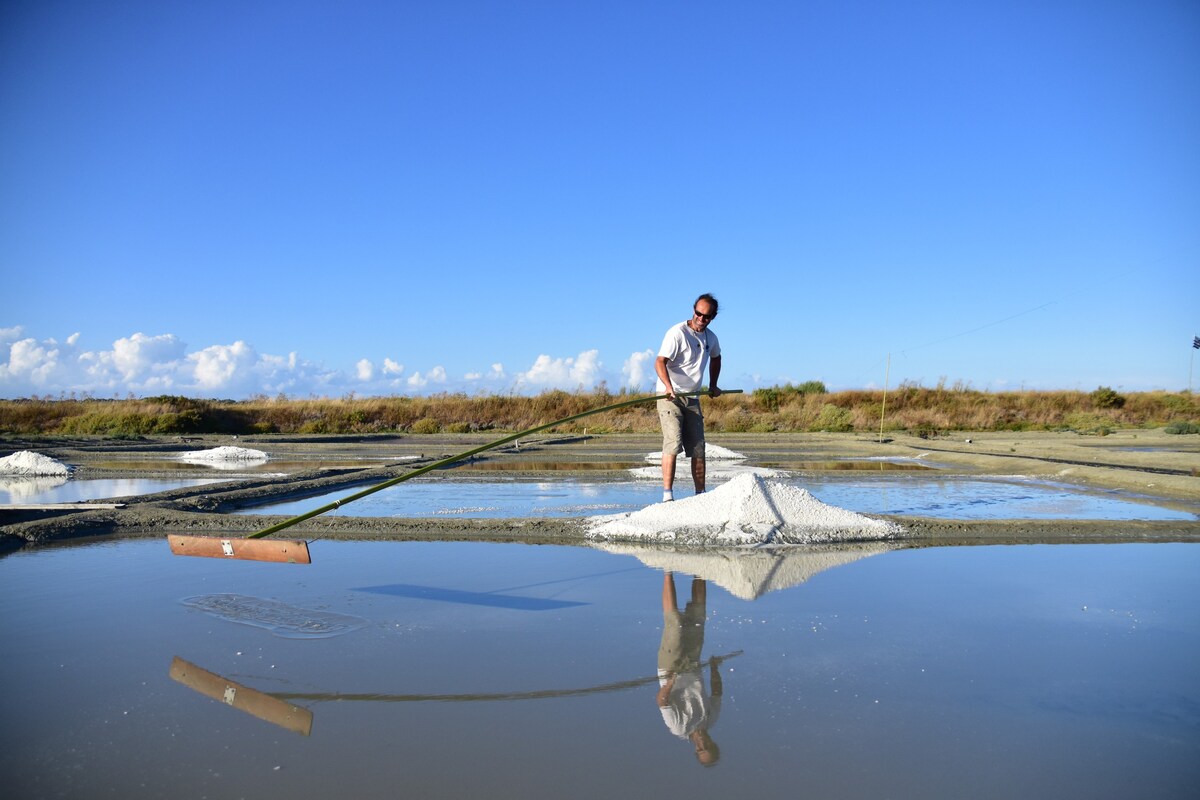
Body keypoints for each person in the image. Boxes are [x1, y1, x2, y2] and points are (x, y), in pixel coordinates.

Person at [654, 293, 722, 502]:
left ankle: (700, 495)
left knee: (698, 447)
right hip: (669, 396)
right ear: (693, 310)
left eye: (707, 316)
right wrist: (668, 386)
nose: (701, 319)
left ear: (712, 317)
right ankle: (667, 496)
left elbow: (716, 358)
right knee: (673, 442)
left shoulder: (711, 337)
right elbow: (659, 361)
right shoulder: (677, 333)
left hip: (693, 398)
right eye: (698, 314)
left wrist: (712, 385)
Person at [656, 572, 724, 767]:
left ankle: (667, 570)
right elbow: (717, 692)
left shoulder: (679, 728)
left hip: (670, 667)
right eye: (708, 747)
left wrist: (670, 682)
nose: (702, 744)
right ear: (712, 743)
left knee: (675, 623)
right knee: (698, 618)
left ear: (696, 749)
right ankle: (700, 570)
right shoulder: (711, 719)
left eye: (701, 749)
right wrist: (713, 668)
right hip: (693, 663)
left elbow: (662, 701)